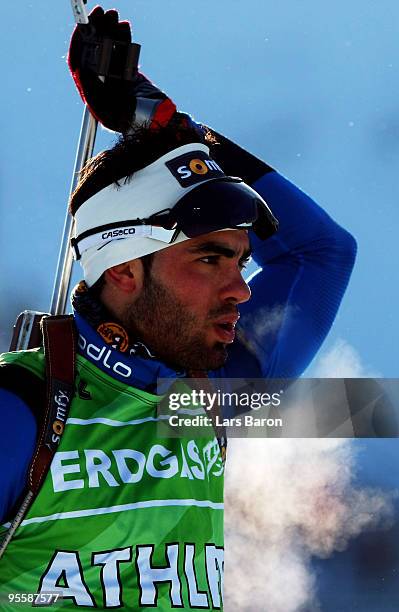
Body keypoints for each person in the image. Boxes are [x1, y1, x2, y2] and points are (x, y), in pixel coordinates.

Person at [0, 7, 357, 610]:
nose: (243, 290)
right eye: (211, 259)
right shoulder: (24, 411)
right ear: (123, 269)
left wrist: (167, 126)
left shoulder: (207, 392)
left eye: (243, 263)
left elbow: (321, 254)